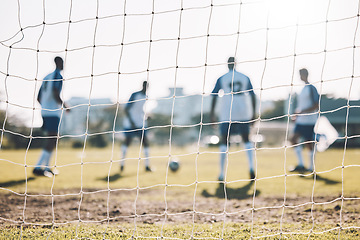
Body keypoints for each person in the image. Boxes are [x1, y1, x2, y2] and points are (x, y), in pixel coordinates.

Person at [210, 57, 257, 181]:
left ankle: (221, 174)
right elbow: (253, 95)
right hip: (243, 112)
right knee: (246, 139)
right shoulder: (244, 77)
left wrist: (212, 114)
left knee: (224, 141)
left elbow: (214, 96)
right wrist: (254, 113)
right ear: (235, 64)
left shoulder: (222, 78)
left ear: (227, 64)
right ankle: (252, 168)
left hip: (227, 113)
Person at [33, 56, 69, 177]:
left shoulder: (46, 77)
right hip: (53, 112)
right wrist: (65, 106)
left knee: (53, 139)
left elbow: (38, 98)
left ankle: (47, 168)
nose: (63, 64)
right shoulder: (57, 76)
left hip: (45, 112)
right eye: (62, 62)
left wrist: (45, 107)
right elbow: (55, 92)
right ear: (57, 62)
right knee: (52, 139)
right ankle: (38, 167)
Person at [290, 68, 319, 173]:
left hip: (309, 120)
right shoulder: (302, 89)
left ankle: (311, 167)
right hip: (301, 120)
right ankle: (301, 164)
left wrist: (302, 111)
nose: (300, 76)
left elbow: (316, 105)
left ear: (306, 74)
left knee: (308, 142)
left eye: (301, 74)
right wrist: (297, 114)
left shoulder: (311, 88)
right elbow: (301, 106)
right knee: (293, 139)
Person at [120, 81, 152, 172]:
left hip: (140, 123)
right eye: (144, 85)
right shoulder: (135, 95)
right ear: (142, 85)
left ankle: (147, 166)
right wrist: (131, 122)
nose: (146, 87)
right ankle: (121, 165)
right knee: (127, 142)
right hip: (130, 123)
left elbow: (141, 110)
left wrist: (146, 116)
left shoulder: (146, 97)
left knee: (145, 142)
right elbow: (126, 109)